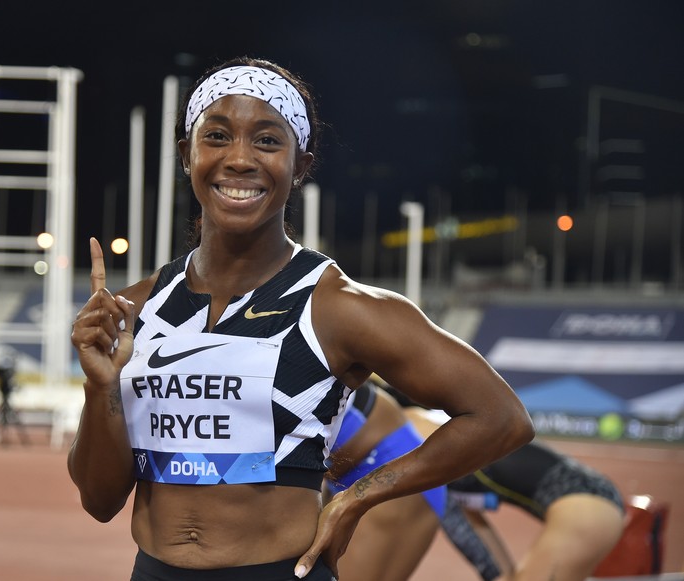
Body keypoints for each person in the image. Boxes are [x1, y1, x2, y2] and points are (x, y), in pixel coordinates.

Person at [67, 56, 535, 581]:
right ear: (187, 154)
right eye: (217, 136)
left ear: (301, 164)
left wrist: (358, 496)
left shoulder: (339, 307)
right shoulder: (138, 308)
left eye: (267, 141)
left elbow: (501, 418)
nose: (239, 159)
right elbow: (100, 500)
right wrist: (101, 386)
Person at [327, 380, 625, 581]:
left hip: (586, 509)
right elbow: (469, 524)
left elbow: (454, 521)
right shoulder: (438, 427)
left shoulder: (416, 438)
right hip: (589, 500)